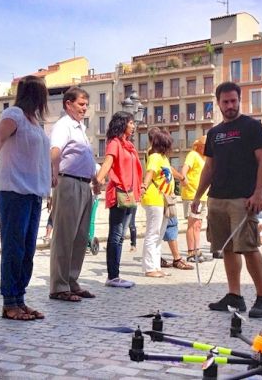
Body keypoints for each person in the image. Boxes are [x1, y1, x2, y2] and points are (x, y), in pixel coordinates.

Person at [192, 81, 262, 318]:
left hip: (243, 199)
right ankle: (235, 295)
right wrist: (198, 195)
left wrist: (258, 193)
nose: (230, 105)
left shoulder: (252, 127)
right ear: (218, 103)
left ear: (239, 100)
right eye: (225, 102)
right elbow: (209, 167)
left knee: (249, 248)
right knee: (226, 248)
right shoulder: (214, 134)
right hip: (217, 198)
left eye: (233, 101)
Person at [0, 75, 51, 320]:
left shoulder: (34, 122)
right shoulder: (15, 116)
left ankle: (20, 299)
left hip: (33, 192)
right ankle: (9, 302)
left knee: (28, 249)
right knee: (14, 247)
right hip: (13, 190)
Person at [49, 87, 100, 302]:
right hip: (68, 181)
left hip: (84, 184)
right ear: (68, 104)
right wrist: (52, 173)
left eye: (86, 105)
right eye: (81, 104)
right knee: (64, 236)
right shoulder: (63, 126)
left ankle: (71, 280)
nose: (85, 108)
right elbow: (55, 150)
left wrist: (96, 177)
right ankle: (59, 286)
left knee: (80, 237)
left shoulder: (80, 129)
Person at [95, 111, 142, 288]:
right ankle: (112, 276)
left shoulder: (128, 145)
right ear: (122, 124)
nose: (133, 125)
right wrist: (98, 181)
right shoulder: (114, 143)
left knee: (121, 236)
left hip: (130, 195)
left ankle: (116, 275)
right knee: (115, 235)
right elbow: (107, 163)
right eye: (130, 122)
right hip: (119, 193)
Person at [141, 129, 175, 277]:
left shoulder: (163, 158)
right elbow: (150, 173)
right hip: (154, 198)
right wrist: (143, 186)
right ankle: (149, 268)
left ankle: (156, 266)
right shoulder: (154, 156)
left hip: (164, 199)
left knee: (159, 234)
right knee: (153, 233)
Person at [181, 136, 209, 262]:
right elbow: (184, 169)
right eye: (204, 146)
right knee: (192, 224)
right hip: (192, 194)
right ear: (199, 146)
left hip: (203, 195)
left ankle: (197, 250)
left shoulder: (205, 158)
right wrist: (184, 179)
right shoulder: (193, 154)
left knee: (198, 225)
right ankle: (191, 252)